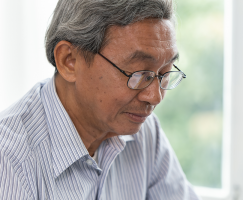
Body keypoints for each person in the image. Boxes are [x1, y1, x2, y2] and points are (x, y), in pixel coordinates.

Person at [0, 0, 199, 199]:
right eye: (139, 73)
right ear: (69, 60)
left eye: (164, 72)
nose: (155, 97)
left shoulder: (144, 132)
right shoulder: (10, 160)